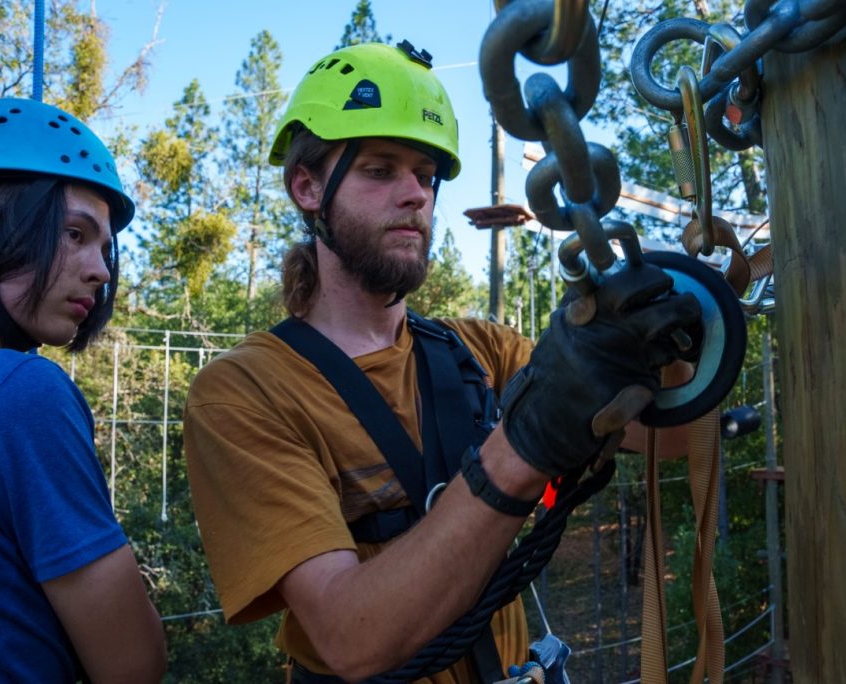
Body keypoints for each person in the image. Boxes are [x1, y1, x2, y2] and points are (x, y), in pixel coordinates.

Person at [184, 40, 699, 683]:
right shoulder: (245, 392)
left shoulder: (478, 350)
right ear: (307, 186)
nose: (415, 196)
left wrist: (660, 341)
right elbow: (350, 637)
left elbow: (678, 436)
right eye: (380, 170)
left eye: (426, 176)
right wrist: (525, 443)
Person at [0, 97, 167, 683]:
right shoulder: (19, 395)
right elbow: (132, 666)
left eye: (104, 247)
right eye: (74, 232)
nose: (101, 271)